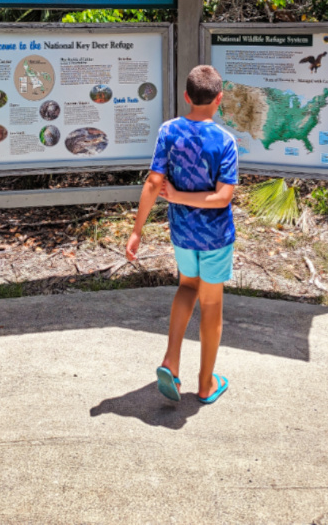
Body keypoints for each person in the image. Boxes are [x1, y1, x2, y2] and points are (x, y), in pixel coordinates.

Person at [125, 64, 238, 404]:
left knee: (187, 286)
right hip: (215, 237)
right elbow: (222, 197)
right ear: (219, 99)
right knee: (212, 302)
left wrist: (137, 231)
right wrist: (180, 196)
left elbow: (152, 183)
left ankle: (171, 361)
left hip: (183, 233)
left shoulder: (169, 131)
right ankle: (205, 385)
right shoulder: (225, 140)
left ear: (187, 97)